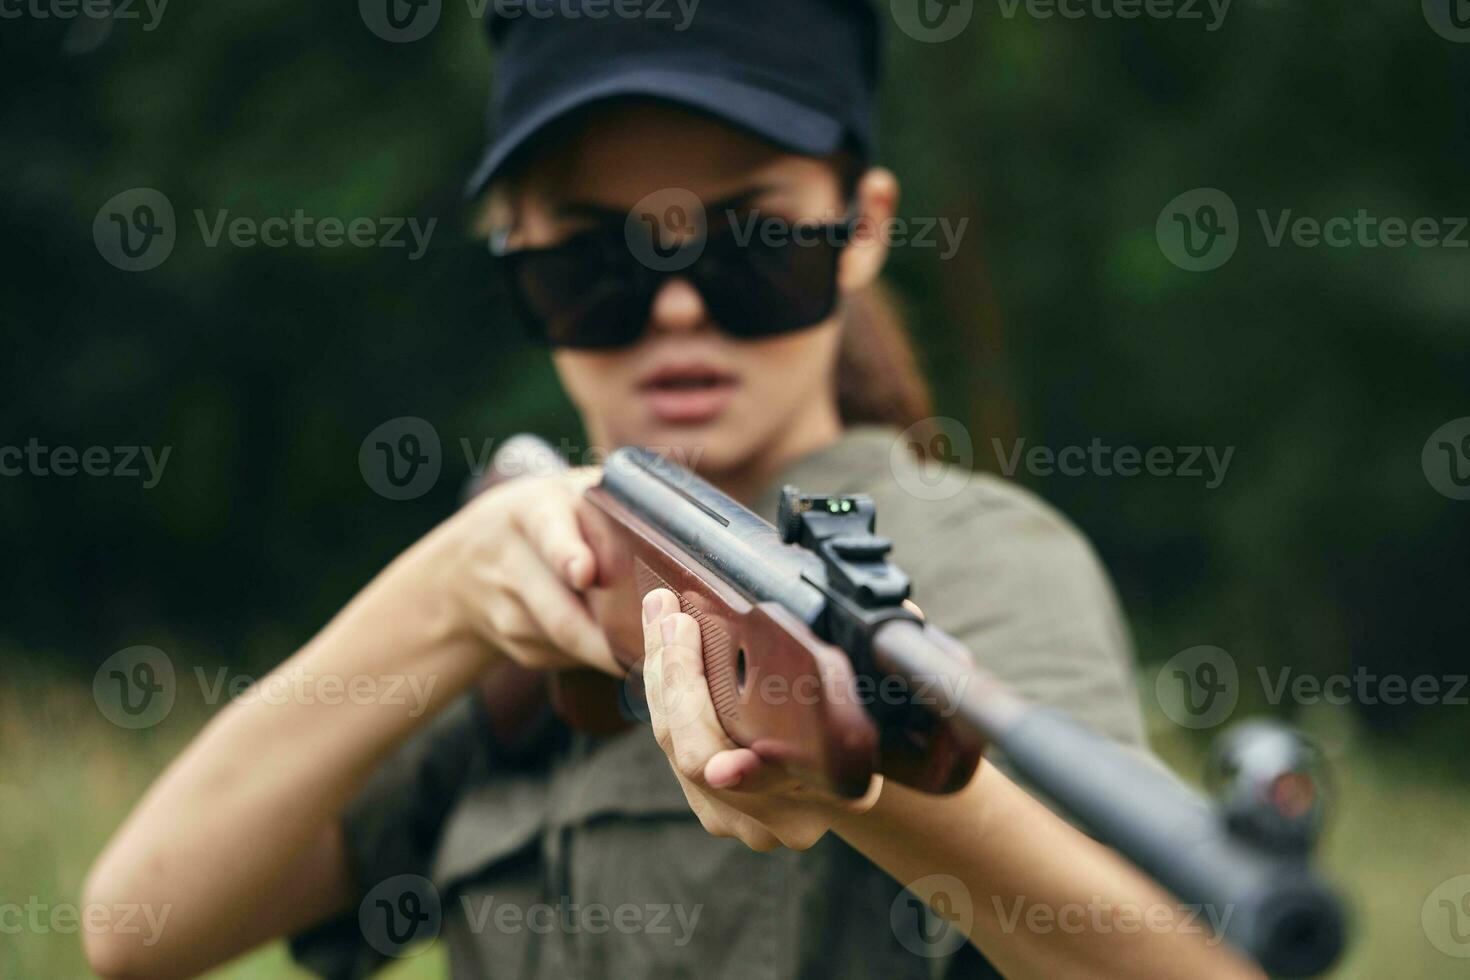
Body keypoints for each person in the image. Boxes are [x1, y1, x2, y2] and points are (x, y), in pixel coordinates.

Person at [83, 2, 1261, 977]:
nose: (680, 307)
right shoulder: (521, 600)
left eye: (753, 243)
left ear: (862, 229)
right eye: (597, 260)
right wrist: (445, 589)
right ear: (513, 259)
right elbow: (138, 925)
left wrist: (871, 780)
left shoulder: (969, 557)